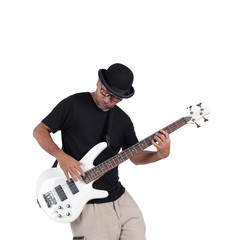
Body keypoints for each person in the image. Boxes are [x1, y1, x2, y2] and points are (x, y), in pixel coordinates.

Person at [33, 63, 171, 240]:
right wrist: (61, 156)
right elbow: (40, 131)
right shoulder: (74, 104)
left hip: (120, 198)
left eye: (115, 99)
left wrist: (160, 154)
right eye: (105, 93)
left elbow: (135, 156)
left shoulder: (123, 120)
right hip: (88, 204)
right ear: (98, 82)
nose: (107, 100)